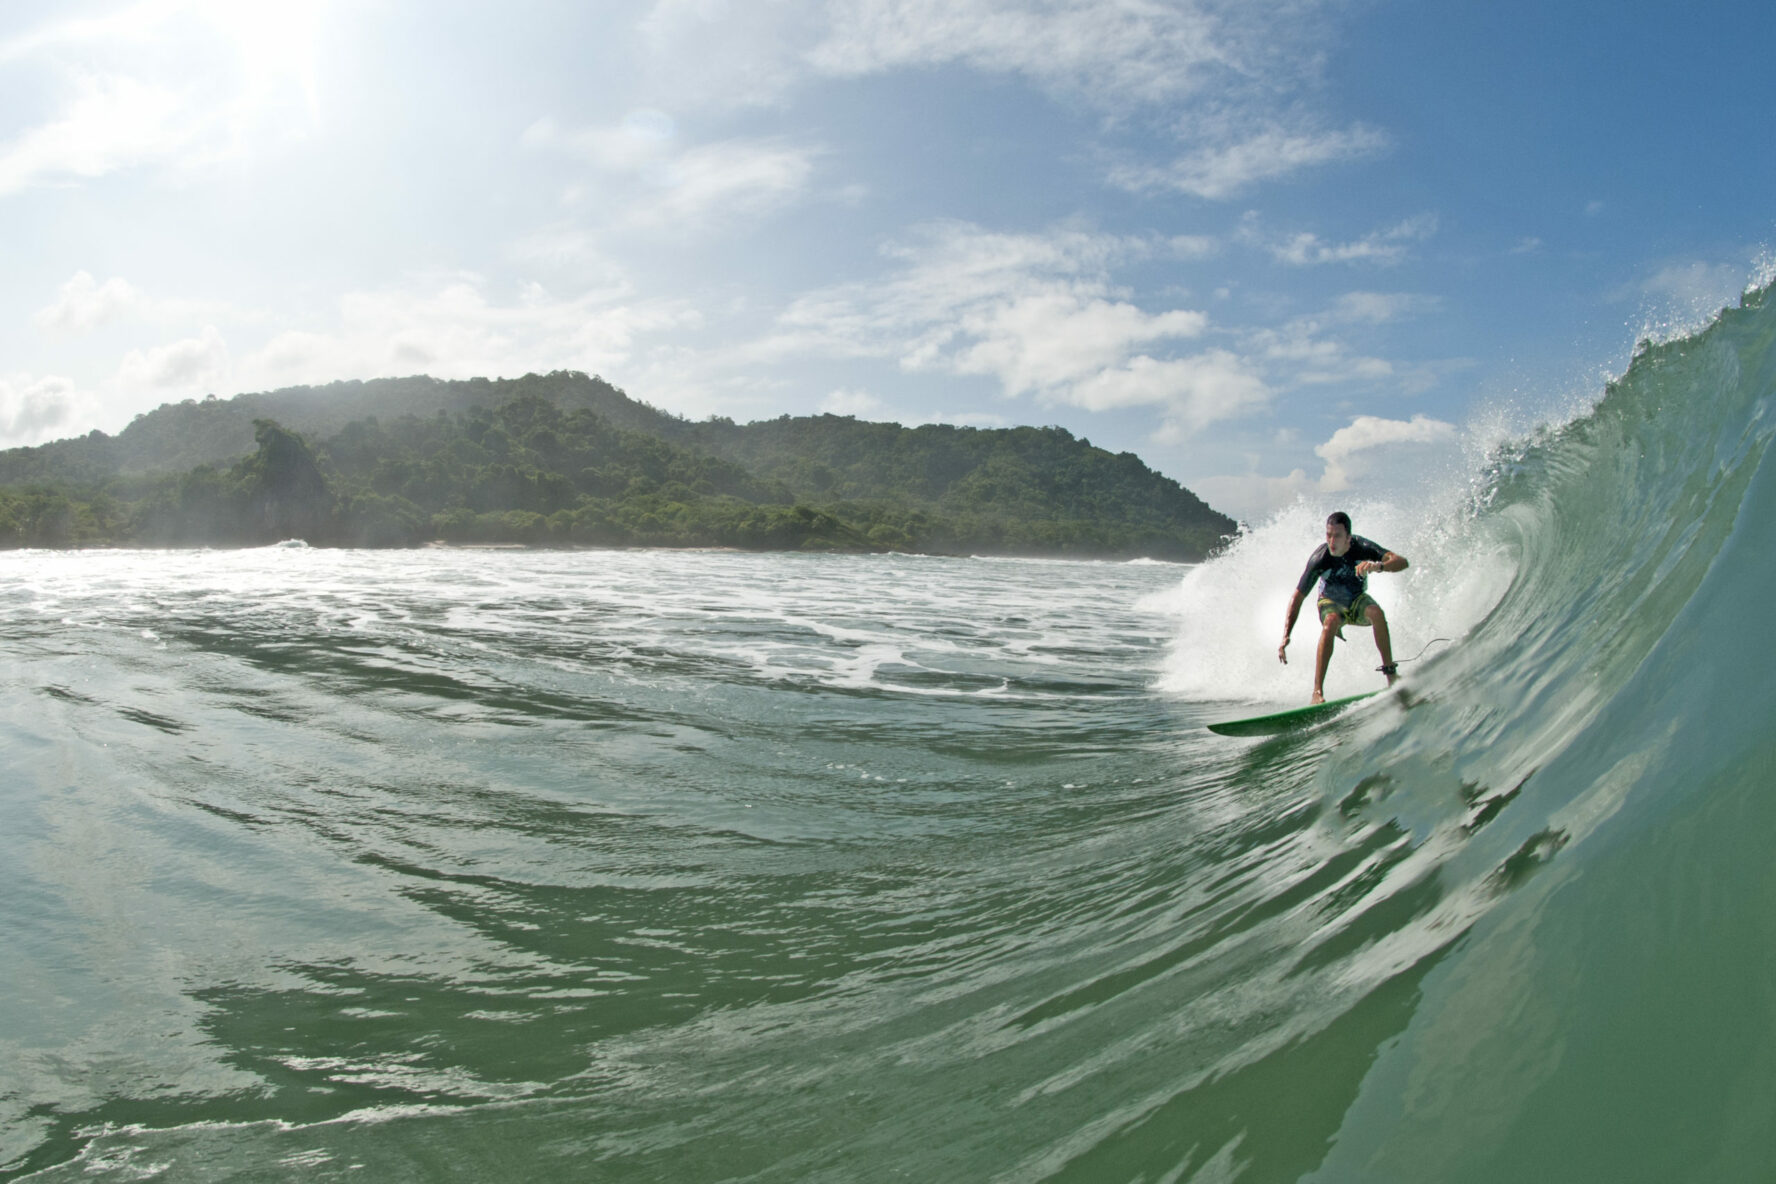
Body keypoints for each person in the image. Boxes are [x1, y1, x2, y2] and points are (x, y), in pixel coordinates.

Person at [1278, 512, 1408, 703]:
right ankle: (1317, 692)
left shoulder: (1362, 548)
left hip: (1356, 601)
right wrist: (1286, 635)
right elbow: (1297, 597)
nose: (1332, 541)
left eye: (1337, 536)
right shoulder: (1320, 559)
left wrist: (1378, 566)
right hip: (1329, 602)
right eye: (1328, 535)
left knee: (1376, 613)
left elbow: (1401, 562)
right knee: (1330, 622)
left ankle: (1391, 675)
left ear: (1348, 538)